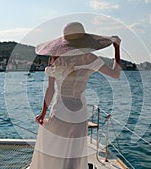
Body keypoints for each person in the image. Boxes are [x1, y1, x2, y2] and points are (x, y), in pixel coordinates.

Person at [29, 22, 121, 169]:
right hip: (79, 113)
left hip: (60, 110)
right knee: (74, 152)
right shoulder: (90, 58)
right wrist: (117, 48)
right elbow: (115, 74)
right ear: (84, 40)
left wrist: (43, 113)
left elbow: (50, 90)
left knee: (54, 148)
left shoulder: (55, 58)